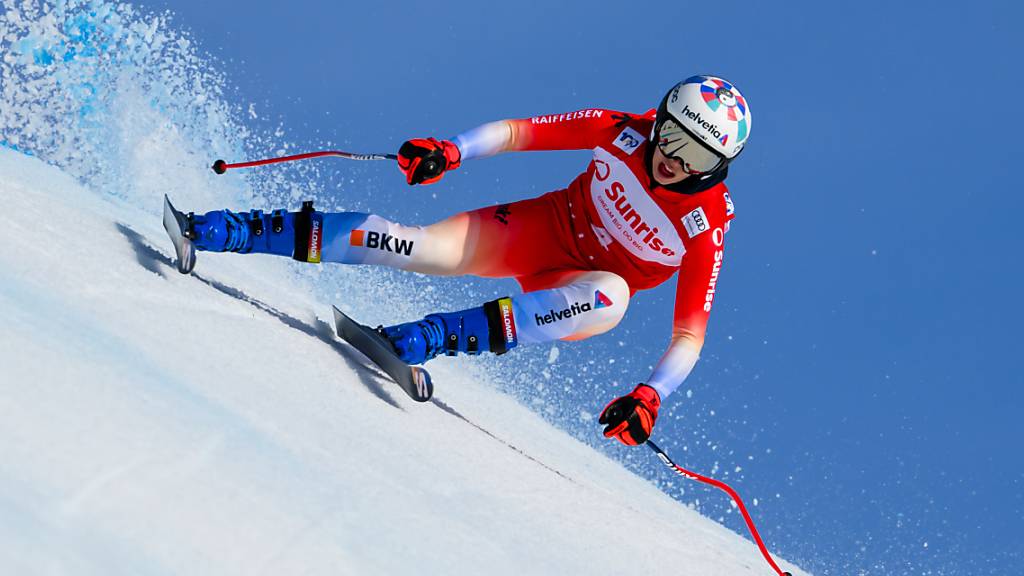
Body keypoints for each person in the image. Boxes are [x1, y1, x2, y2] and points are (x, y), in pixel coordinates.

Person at [170, 75, 751, 447]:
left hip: (581, 285)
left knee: (611, 301)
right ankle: (223, 231)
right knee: (417, 248)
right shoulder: (626, 131)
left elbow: (689, 336)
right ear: (660, 119)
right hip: (540, 231)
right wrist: (453, 150)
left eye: (695, 153)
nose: (673, 158)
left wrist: (651, 396)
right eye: (671, 136)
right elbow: (521, 133)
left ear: (717, 164)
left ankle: (416, 341)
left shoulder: (706, 224)